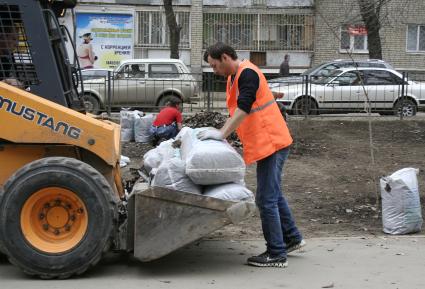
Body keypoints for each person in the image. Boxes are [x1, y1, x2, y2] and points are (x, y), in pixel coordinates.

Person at [199, 42, 305, 268]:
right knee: (273, 195)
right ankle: (292, 238)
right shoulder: (236, 76)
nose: (214, 70)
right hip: (268, 141)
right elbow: (250, 101)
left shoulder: (246, 74)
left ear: (226, 57)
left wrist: (222, 134)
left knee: (266, 199)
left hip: (271, 142)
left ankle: (276, 253)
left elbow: (244, 107)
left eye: (215, 65)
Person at [0, 21, 24, 88]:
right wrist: (6, 82)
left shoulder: (5, 62)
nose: (16, 44)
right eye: (13, 39)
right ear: (2, 37)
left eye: (18, 40)